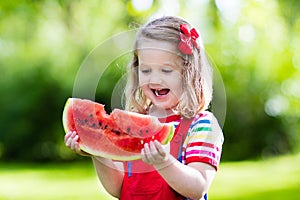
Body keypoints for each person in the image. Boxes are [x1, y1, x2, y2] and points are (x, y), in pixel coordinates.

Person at [65, 16, 224, 200]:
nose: (155, 80)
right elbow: (119, 189)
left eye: (166, 70)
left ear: (189, 73)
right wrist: (97, 151)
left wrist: (164, 163)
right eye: (146, 70)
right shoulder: (132, 123)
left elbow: (198, 187)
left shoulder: (202, 125)